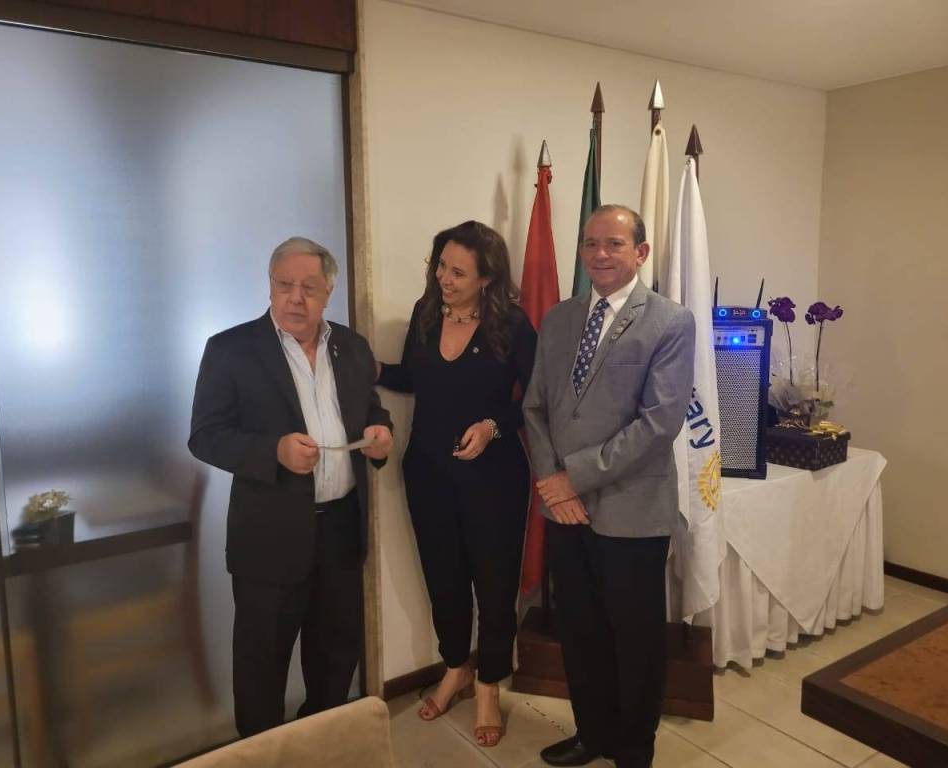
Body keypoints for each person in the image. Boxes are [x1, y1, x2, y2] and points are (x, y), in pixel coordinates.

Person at [189, 237, 393, 737]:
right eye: (284, 285)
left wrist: (381, 432)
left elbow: (369, 408)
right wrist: (273, 452)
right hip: (270, 538)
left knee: (335, 658)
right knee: (261, 667)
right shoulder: (231, 350)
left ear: (328, 293)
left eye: (309, 288)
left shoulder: (352, 347)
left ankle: (320, 746)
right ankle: (262, 755)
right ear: (270, 286)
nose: (295, 298)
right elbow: (205, 436)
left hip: (340, 532)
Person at [523, 205, 695, 768]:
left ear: (640, 252)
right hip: (564, 510)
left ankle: (633, 750)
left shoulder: (670, 322)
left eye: (614, 244)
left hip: (632, 510)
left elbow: (658, 424)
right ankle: (591, 734)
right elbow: (535, 408)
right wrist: (552, 483)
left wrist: (571, 478)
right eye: (590, 243)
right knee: (580, 631)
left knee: (635, 640)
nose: (599, 254)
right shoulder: (558, 319)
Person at [376, 220, 536, 747]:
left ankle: (488, 684)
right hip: (428, 473)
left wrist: (493, 427)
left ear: (487, 278)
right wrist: (369, 368)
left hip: (494, 479)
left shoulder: (513, 325)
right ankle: (455, 668)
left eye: (458, 272)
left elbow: (536, 399)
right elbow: (412, 378)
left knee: (493, 584)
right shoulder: (425, 314)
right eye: (441, 265)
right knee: (443, 578)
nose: (444, 278)